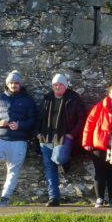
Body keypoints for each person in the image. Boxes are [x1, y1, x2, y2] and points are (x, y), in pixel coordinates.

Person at [0, 70, 37, 206]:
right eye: (11, 83)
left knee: (13, 170)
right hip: (1, 137)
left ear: (20, 85)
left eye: (16, 83)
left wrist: (20, 125)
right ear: (7, 84)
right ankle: (9, 158)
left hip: (19, 140)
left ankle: (5, 198)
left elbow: (33, 120)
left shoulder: (28, 100)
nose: (14, 85)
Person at [35, 73, 86, 206]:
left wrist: (72, 134)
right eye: (55, 85)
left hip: (64, 136)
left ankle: (65, 159)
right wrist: (37, 133)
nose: (58, 87)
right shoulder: (47, 98)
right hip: (45, 137)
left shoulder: (74, 98)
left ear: (65, 86)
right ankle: (54, 198)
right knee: (49, 168)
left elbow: (82, 118)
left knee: (58, 159)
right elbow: (38, 117)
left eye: (60, 84)